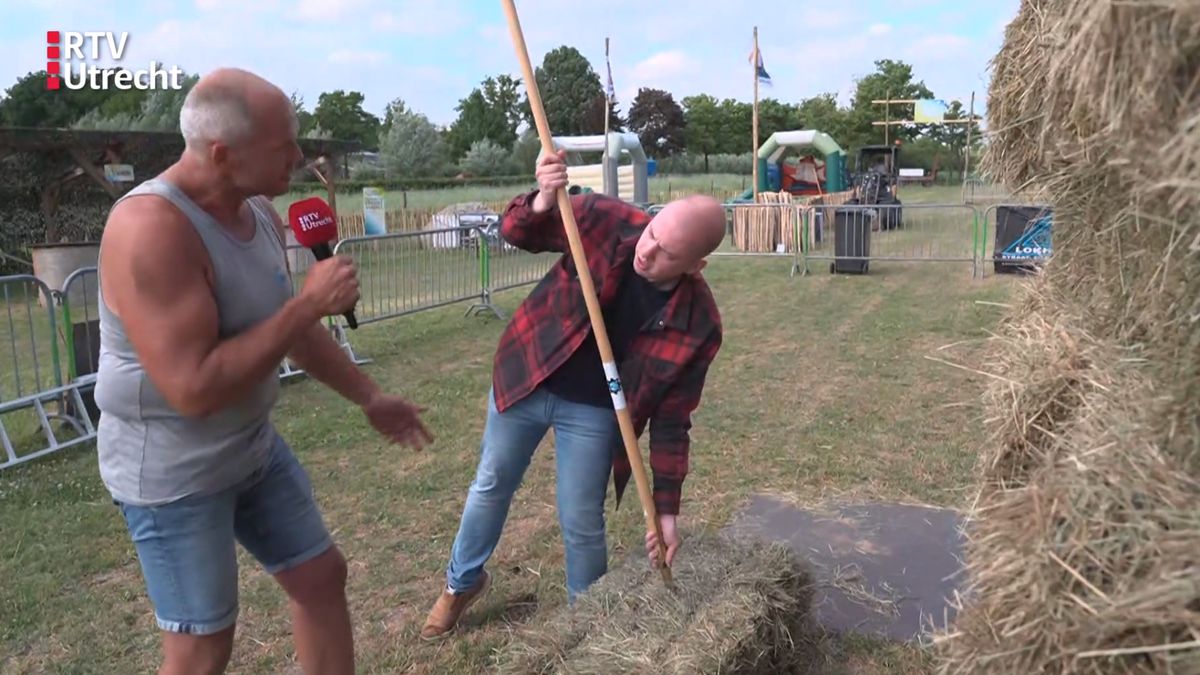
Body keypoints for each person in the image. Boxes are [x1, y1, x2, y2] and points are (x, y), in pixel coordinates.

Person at [93, 68, 432, 675]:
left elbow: (292, 332)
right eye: (285, 146)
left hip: (249, 447)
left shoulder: (258, 212)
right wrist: (307, 303)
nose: (300, 159)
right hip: (172, 471)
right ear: (223, 154)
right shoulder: (151, 229)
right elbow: (191, 388)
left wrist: (370, 397)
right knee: (201, 645)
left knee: (321, 576)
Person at [420, 150, 726, 640]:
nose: (647, 251)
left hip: (596, 408)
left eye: (668, 253)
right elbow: (516, 232)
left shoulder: (699, 325)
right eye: (653, 233)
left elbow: (673, 421)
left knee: (582, 519)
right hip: (531, 371)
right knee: (491, 483)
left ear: (696, 265)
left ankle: (587, 627)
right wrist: (542, 198)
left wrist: (667, 512)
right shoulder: (602, 218)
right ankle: (461, 583)